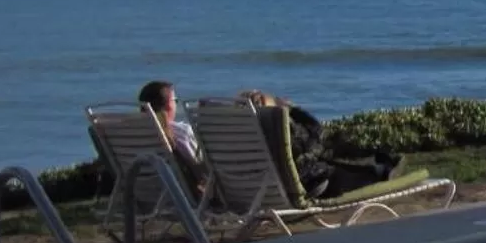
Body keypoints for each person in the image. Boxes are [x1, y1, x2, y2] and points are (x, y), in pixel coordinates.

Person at [238, 89, 397, 200]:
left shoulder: (239, 136)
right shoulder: (277, 128)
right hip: (311, 186)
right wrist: (294, 110)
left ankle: (377, 166)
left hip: (257, 194)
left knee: (332, 162)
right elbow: (316, 139)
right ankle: (380, 170)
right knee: (367, 175)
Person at [137, 79, 206, 194]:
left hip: (141, 192)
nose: (176, 104)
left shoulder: (131, 132)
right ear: (168, 105)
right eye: (175, 100)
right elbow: (199, 169)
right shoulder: (182, 133)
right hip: (179, 196)